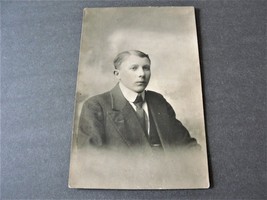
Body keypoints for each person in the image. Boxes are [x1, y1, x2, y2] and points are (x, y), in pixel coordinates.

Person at [77, 50, 198, 150]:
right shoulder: (96, 106)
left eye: (146, 68)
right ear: (117, 74)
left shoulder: (158, 101)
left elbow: (187, 146)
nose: (142, 74)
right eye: (134, 68)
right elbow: (91, 157)